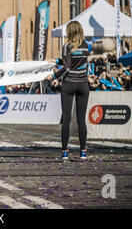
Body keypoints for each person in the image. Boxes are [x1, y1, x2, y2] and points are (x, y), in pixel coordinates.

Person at [46, 21, 90, 161]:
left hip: (69, 84)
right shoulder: (85, 46)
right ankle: (83, 152)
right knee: (81, 119)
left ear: (69, 31)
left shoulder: (67, 46)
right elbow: (76, 63)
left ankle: (65, 151)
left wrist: (53, 75)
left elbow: (67, 68)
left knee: (66, 119)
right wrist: (58, 61)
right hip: (83, 84)